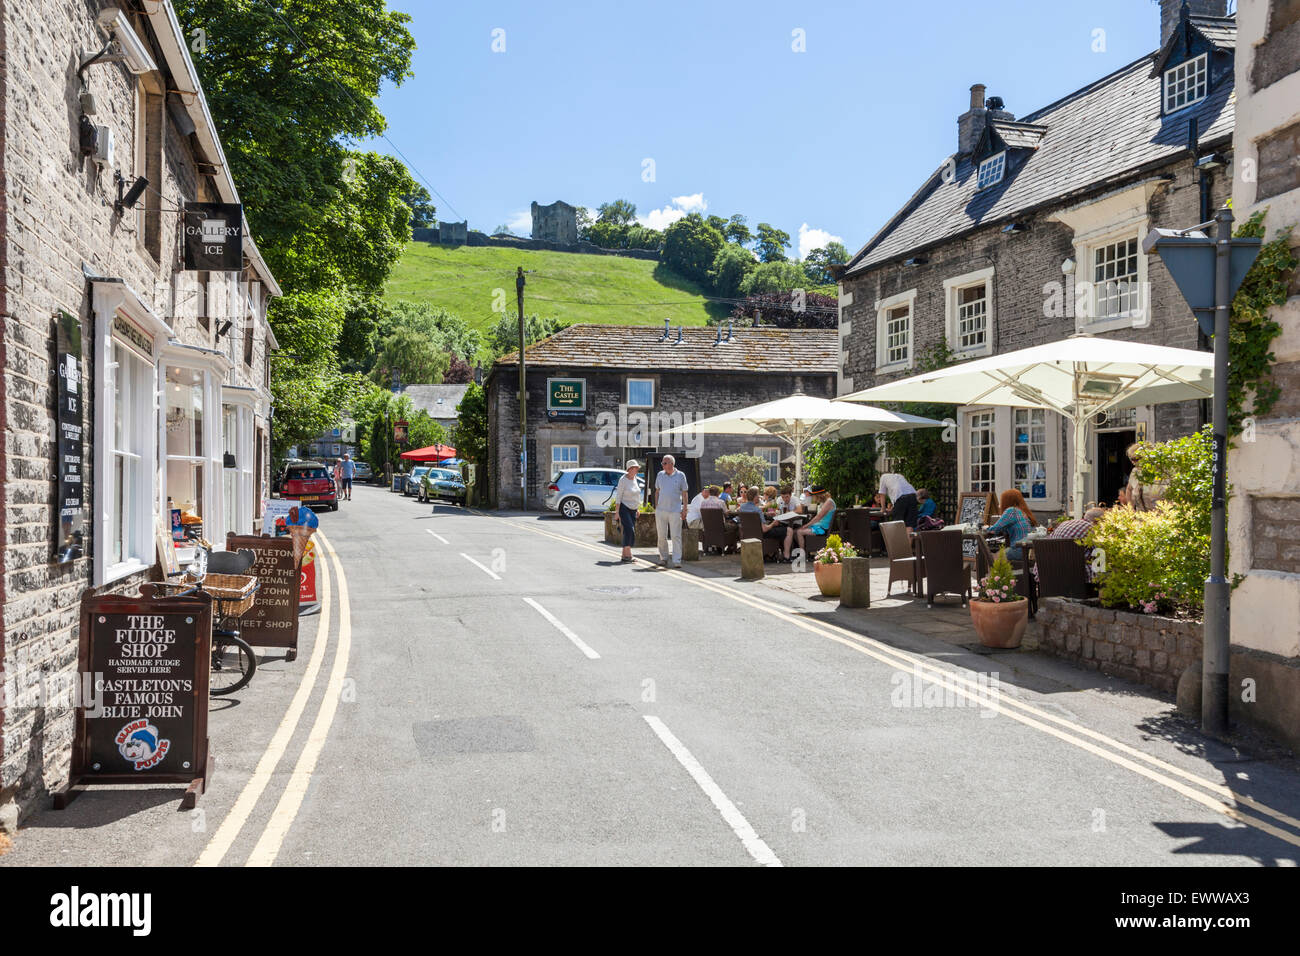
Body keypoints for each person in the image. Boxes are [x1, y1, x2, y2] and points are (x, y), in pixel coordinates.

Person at [654, 455, 690, 568]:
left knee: (676, 536)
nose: (662, 465)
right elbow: (657, 491)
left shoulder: (680, 475)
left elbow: (685, 493)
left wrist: (685, 509)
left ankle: (677, 560)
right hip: (661, 510)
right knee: (661, 536)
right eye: (662, 463)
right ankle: (663, 558)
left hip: (675, 510)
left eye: (664, 463)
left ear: (671, 464)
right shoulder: (660, 475)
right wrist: (656, 506)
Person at [984, 489, 1039, 561]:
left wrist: (985, 528)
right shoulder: (1023, 511)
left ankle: (992, 572)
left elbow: (994, 530)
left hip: (1020, 550)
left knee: (993, 557)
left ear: (1007, 501)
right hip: (1031, 550)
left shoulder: (1011, 511)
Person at [789, 485, 836, 560]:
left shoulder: (829, 502)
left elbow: (818, 517)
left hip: (822, 528)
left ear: (819, 495)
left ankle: (802, 555)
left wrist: (806, 525)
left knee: (799, 532)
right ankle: (805, 551)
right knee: (794, 532)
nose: (814, 498)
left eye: (815, 496)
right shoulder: (825, 502)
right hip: (818, 526)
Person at [613, 460, 642, 563]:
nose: (636, 470)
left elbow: (637, 494)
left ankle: (624, 555)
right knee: (630, 530)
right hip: (624, 508)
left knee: (627, 531)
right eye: (635, 468)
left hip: (633, 509)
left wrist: (638, 508)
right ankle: (629, 554)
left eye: (637, 468)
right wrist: (617, 512)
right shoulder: (623, 480)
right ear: (629, 469)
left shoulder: (635, 479)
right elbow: (618, 496)